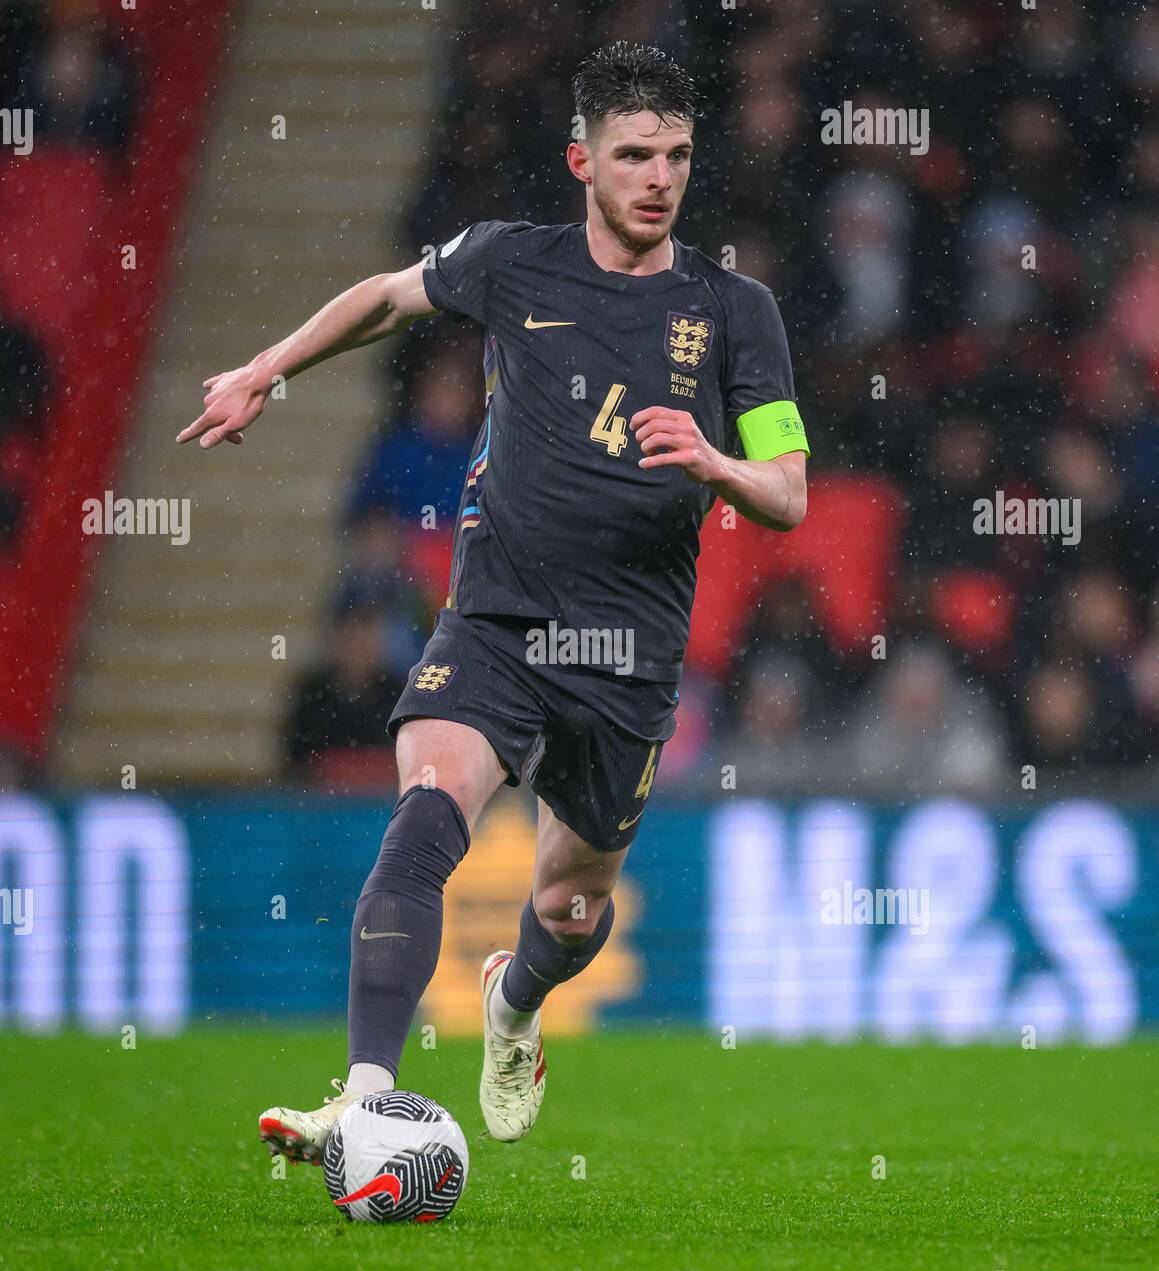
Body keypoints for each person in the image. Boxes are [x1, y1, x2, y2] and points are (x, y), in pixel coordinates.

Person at [177, 42, 808, 1158]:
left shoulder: (736, 309)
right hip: (496, 621)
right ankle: (365, 1097)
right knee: (425, 812)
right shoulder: (510, 262)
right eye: (632, 157)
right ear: (582, 161)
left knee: (570, 909)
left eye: (674, 156)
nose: (658, 177)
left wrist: (715, 463)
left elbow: (789, 494)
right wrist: (264, 369)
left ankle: (513, 1004)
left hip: (628, 652)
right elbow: (383, 298)